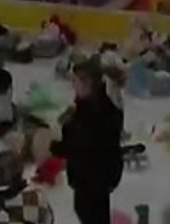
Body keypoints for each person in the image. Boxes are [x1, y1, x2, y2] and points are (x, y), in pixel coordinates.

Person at [52, 57, 126, 224]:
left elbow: (79, 145)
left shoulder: (94, 113)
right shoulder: (99, 103)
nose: (72, 85)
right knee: (94, 210)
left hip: (92, 175)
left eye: (75, 81)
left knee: (89, 211)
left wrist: (56, 145)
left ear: (87, 83)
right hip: (101, 173)